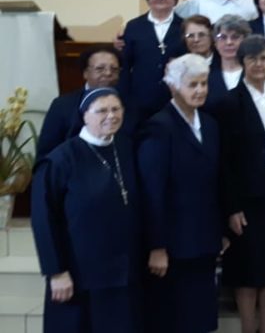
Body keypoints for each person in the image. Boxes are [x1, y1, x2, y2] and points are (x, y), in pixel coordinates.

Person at [32, 88, 142, 333]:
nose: (111, 116)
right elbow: (44, 220)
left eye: (116, 109)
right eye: (102, 110)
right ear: (84, 116)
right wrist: (56, 272)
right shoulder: (60, 160)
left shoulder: (125, 148)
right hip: (78, 272)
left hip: (121, 271)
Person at [137, 54, 223, 333]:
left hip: (204, 240)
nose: (200, 90)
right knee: (175, 319)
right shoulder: (158, 127)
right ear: (174, 87)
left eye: (203, 83)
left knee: (201, 317)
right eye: (192, 85)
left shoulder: (209, 124)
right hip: (173, 246)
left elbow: (214, 182)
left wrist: (219, 231)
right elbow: (153, 191)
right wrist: (157, 246)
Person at [218, 36, 265, 333]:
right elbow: (223, 161)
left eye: (264, 59)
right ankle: (249, 327)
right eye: (252, 59)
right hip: (246, 198)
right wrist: (232, 207)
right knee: (247, 265)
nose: (258, 64)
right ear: (242, 62)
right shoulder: (230, 101)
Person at [118, 0, 186, 124]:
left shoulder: (185, 26)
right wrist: (124, 97)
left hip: (176, 98)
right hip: (140, 100)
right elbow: (125, 65)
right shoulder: (133, 26)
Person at [37, 47, 125, 161]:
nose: (108, 73)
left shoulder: (130, 104)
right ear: (85, 73)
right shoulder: (62, 105)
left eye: (114, 69)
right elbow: (46, 153)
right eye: (100, 68)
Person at [206, 14, 252, 111]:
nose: (229, 42)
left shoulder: (257, 71)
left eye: (235, 37)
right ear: (215, 42)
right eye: (222, 37)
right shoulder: (205, 74)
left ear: (246, 40)